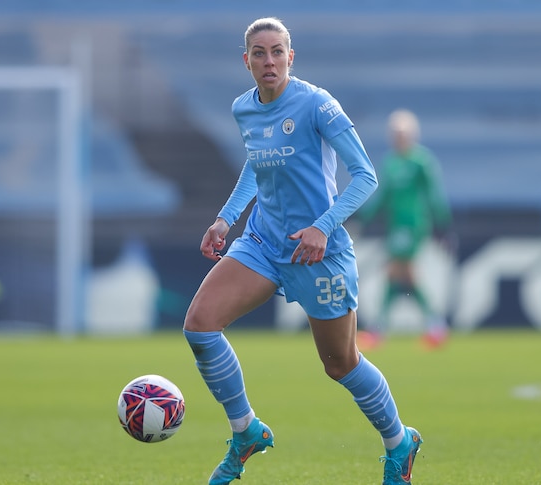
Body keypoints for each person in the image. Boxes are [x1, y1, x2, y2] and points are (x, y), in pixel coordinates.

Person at [182, 17, 422, 485]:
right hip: (264, 241)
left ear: (291, 58)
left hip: (318, 252)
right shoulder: (243, 109)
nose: (268, 61)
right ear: (246, 60)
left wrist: (322, 226)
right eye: (259, 53)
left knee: (340, 363)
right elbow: (256, 164)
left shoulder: (317, 105)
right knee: (200, 325)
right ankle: (245, 430)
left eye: (277, 52)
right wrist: (225, 219)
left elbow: (366, 176)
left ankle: (399, 442)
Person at [356, 109, 453, 350]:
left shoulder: (421, 161)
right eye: (395, 133)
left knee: (399, 271)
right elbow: (383, 196)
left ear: (412, 134)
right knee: (399, 274)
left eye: (403, 132)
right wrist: (365, 217)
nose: (399, 137)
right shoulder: (390, 163)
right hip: (395, 225)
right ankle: (434, 327)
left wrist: (442, 223)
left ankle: (380, 329)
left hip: (413, 225)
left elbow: (434, 194)